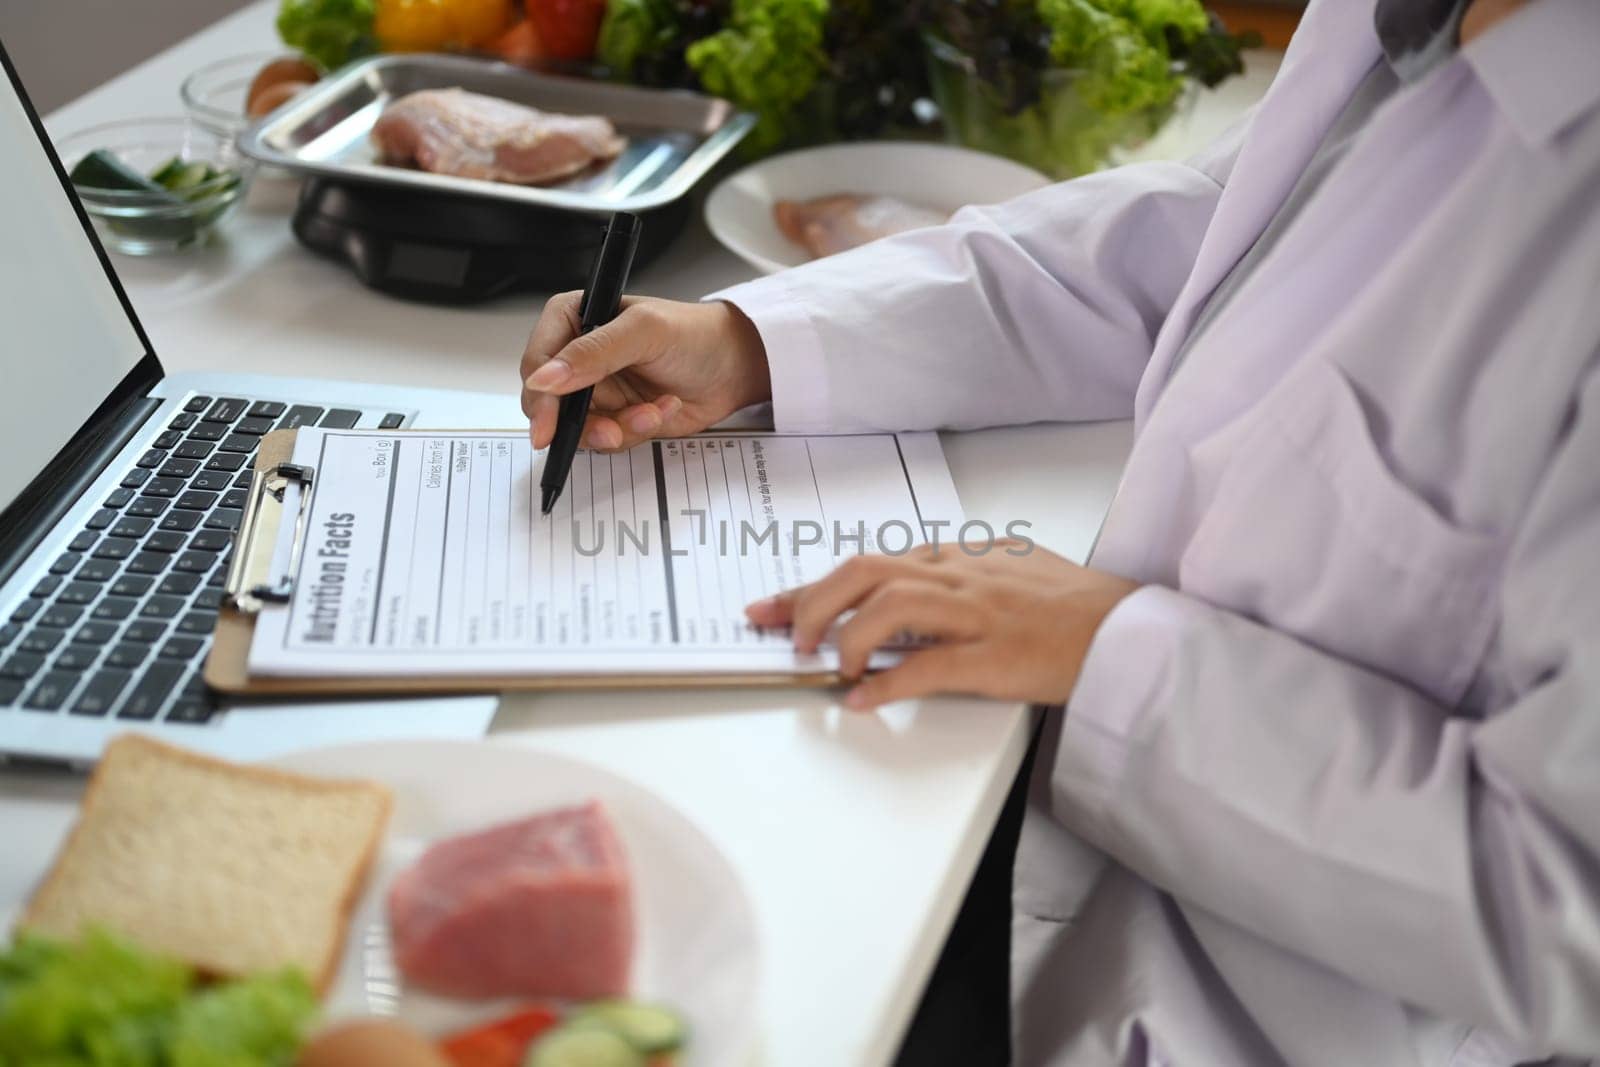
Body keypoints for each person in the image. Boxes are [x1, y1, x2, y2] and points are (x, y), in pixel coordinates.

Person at [519, 0, 1600, 1062]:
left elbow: (1566, 914)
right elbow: (1204, 233)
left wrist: (1110, 654)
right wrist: (755, 341)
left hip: (1247, 1008)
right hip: (1054, 835)